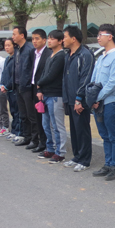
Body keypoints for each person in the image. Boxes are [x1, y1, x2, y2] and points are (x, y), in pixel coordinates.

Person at [90, 24, 115, 180]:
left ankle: (114, 167)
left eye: (100, 35)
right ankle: (107, 163)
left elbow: (112, 83)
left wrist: (97, 98)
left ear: (110, 37)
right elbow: (93, 80)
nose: (98, 38)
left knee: (113, 135)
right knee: (104, 135)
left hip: (110, 102)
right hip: (98, 103)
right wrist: (91, 98)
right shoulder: (100, 58)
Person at [62, 25, 94, 171]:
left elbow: (85, 78)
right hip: (69, 98)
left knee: (82, 129)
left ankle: (85, 160)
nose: (63, 40)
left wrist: (79, 98)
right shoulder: (68, 55)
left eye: (65, 37)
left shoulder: (85, 55)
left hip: (79, 100)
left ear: (73, 39)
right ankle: (77, 156)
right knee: (74, 130)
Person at [36, 30, 68, 163]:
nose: (49, 41)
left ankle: (60, 152)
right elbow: (44, 73)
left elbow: (51, 75)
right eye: (48, 38)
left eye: (52, 39)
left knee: (57, 125)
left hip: (56, 95)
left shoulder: (61, 56)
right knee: (46, 124)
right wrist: (40, 89)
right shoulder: (50, 55)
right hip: (46, 95)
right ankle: (50, 148)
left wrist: (39, 83)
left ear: (60, 41)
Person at [27, 29, 52, 152]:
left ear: (44, 40)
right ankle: (40, 141)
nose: (34, 41)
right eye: (33, 39)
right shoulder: (33, 53)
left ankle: (46, 143)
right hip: (33, 87)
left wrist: (40, 88)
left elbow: (46, 73)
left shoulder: (48, 54)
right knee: (35, 116)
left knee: (44, 118)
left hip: (43, 89)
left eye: (37, 38)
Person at [11, 26, 34, 147]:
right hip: (18, 85)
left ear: (22, 35)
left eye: (14, 34)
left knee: (31, 114)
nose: (13, 37)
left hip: (27, 86)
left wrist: (28, 83)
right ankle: (26, 136)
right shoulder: (17, 49)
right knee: (23, 114)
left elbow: (31, 69)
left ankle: (35, 139)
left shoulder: (30, 49)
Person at [0, 38, 21, 141]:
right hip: (8, 89)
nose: (7, 47)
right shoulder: (7, 58)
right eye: (5, 46)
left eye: (9, 45)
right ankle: (13, 130)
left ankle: (18, 131)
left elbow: (14, 75)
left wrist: (7, 86)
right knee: (12, 110)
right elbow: (4, 73)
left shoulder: (16, 58)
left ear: (14, 46)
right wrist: (2, 84)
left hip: (14, 89)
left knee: (17, 111)